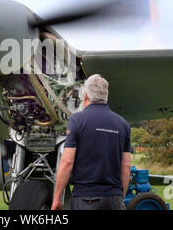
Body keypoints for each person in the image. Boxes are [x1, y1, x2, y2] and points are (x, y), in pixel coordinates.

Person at [51, 74, 131, 210]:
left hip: (85, 199)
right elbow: (126, 166)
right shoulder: (123, 124)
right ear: (105, 96)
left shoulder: (77, 120)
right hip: (114, 199)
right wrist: (120, 197)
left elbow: (67, 162)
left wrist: (57, 198)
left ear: (86, 96)